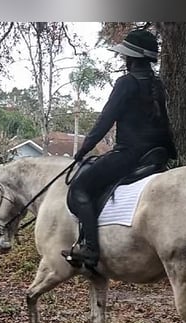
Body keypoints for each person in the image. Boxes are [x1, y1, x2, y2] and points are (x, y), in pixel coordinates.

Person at [66, 28, 178, 269]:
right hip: (156, 155)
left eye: (126, 56)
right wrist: (171, 152)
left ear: (133, 58)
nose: (124, 60)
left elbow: (106, 119)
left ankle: (90, 249)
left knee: (80, 188)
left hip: (130, 155)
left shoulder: (126, 83)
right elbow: (165, 122)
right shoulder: (158, 84)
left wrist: (85, 149)